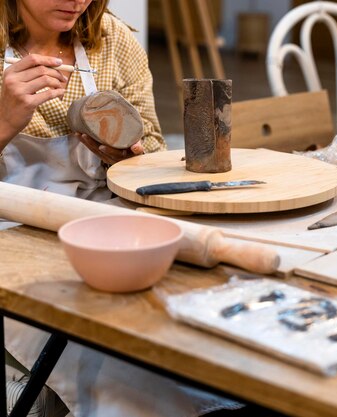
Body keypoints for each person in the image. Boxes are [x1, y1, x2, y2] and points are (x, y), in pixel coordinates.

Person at [0, 1, 249, 416]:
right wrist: (5, 120)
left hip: (103, 218)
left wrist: (126, 157)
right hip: (11, 234)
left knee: (189, 320)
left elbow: (150, 145)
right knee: (107, 351)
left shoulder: (112, 40)